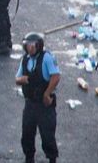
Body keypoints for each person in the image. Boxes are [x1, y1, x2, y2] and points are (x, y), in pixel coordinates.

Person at [16, 32, 60, 163]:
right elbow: (17, 79)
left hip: (44, 104)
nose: (30, 48)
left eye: (33, 45)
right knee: (27, 133)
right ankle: (29, 157)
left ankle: (52, 158)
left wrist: (47, 93)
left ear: (39, 46)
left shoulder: (46, 58)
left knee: (47, 135)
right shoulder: (25, 60)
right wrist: (21, 80)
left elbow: (55, 76)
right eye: (27, 45)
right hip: (30, 103)